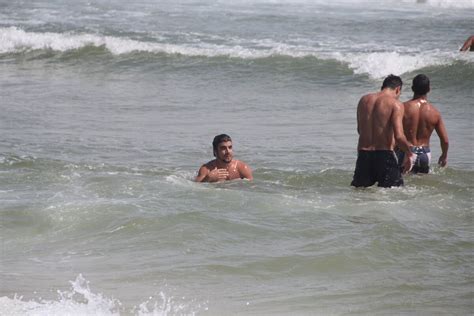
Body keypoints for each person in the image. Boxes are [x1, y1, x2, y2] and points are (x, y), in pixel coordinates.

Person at [351, 74, 415, 188]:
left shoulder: (363, 100)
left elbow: (360, 130)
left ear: (383, 86)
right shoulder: (396, 104)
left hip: (363, 155)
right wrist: (409, 154)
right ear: (398, 89)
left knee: (360, 195)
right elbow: (399, 137)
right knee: (394, 195)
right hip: (384, 156)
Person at [396, 74, 449, 173]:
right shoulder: (435, 112)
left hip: (406, 152)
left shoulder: (402, 108)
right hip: (425, 154)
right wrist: (444, 155)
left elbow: (394, 132)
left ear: (412, 88)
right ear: (429, 89)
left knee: (402, 184)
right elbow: (445, 140)